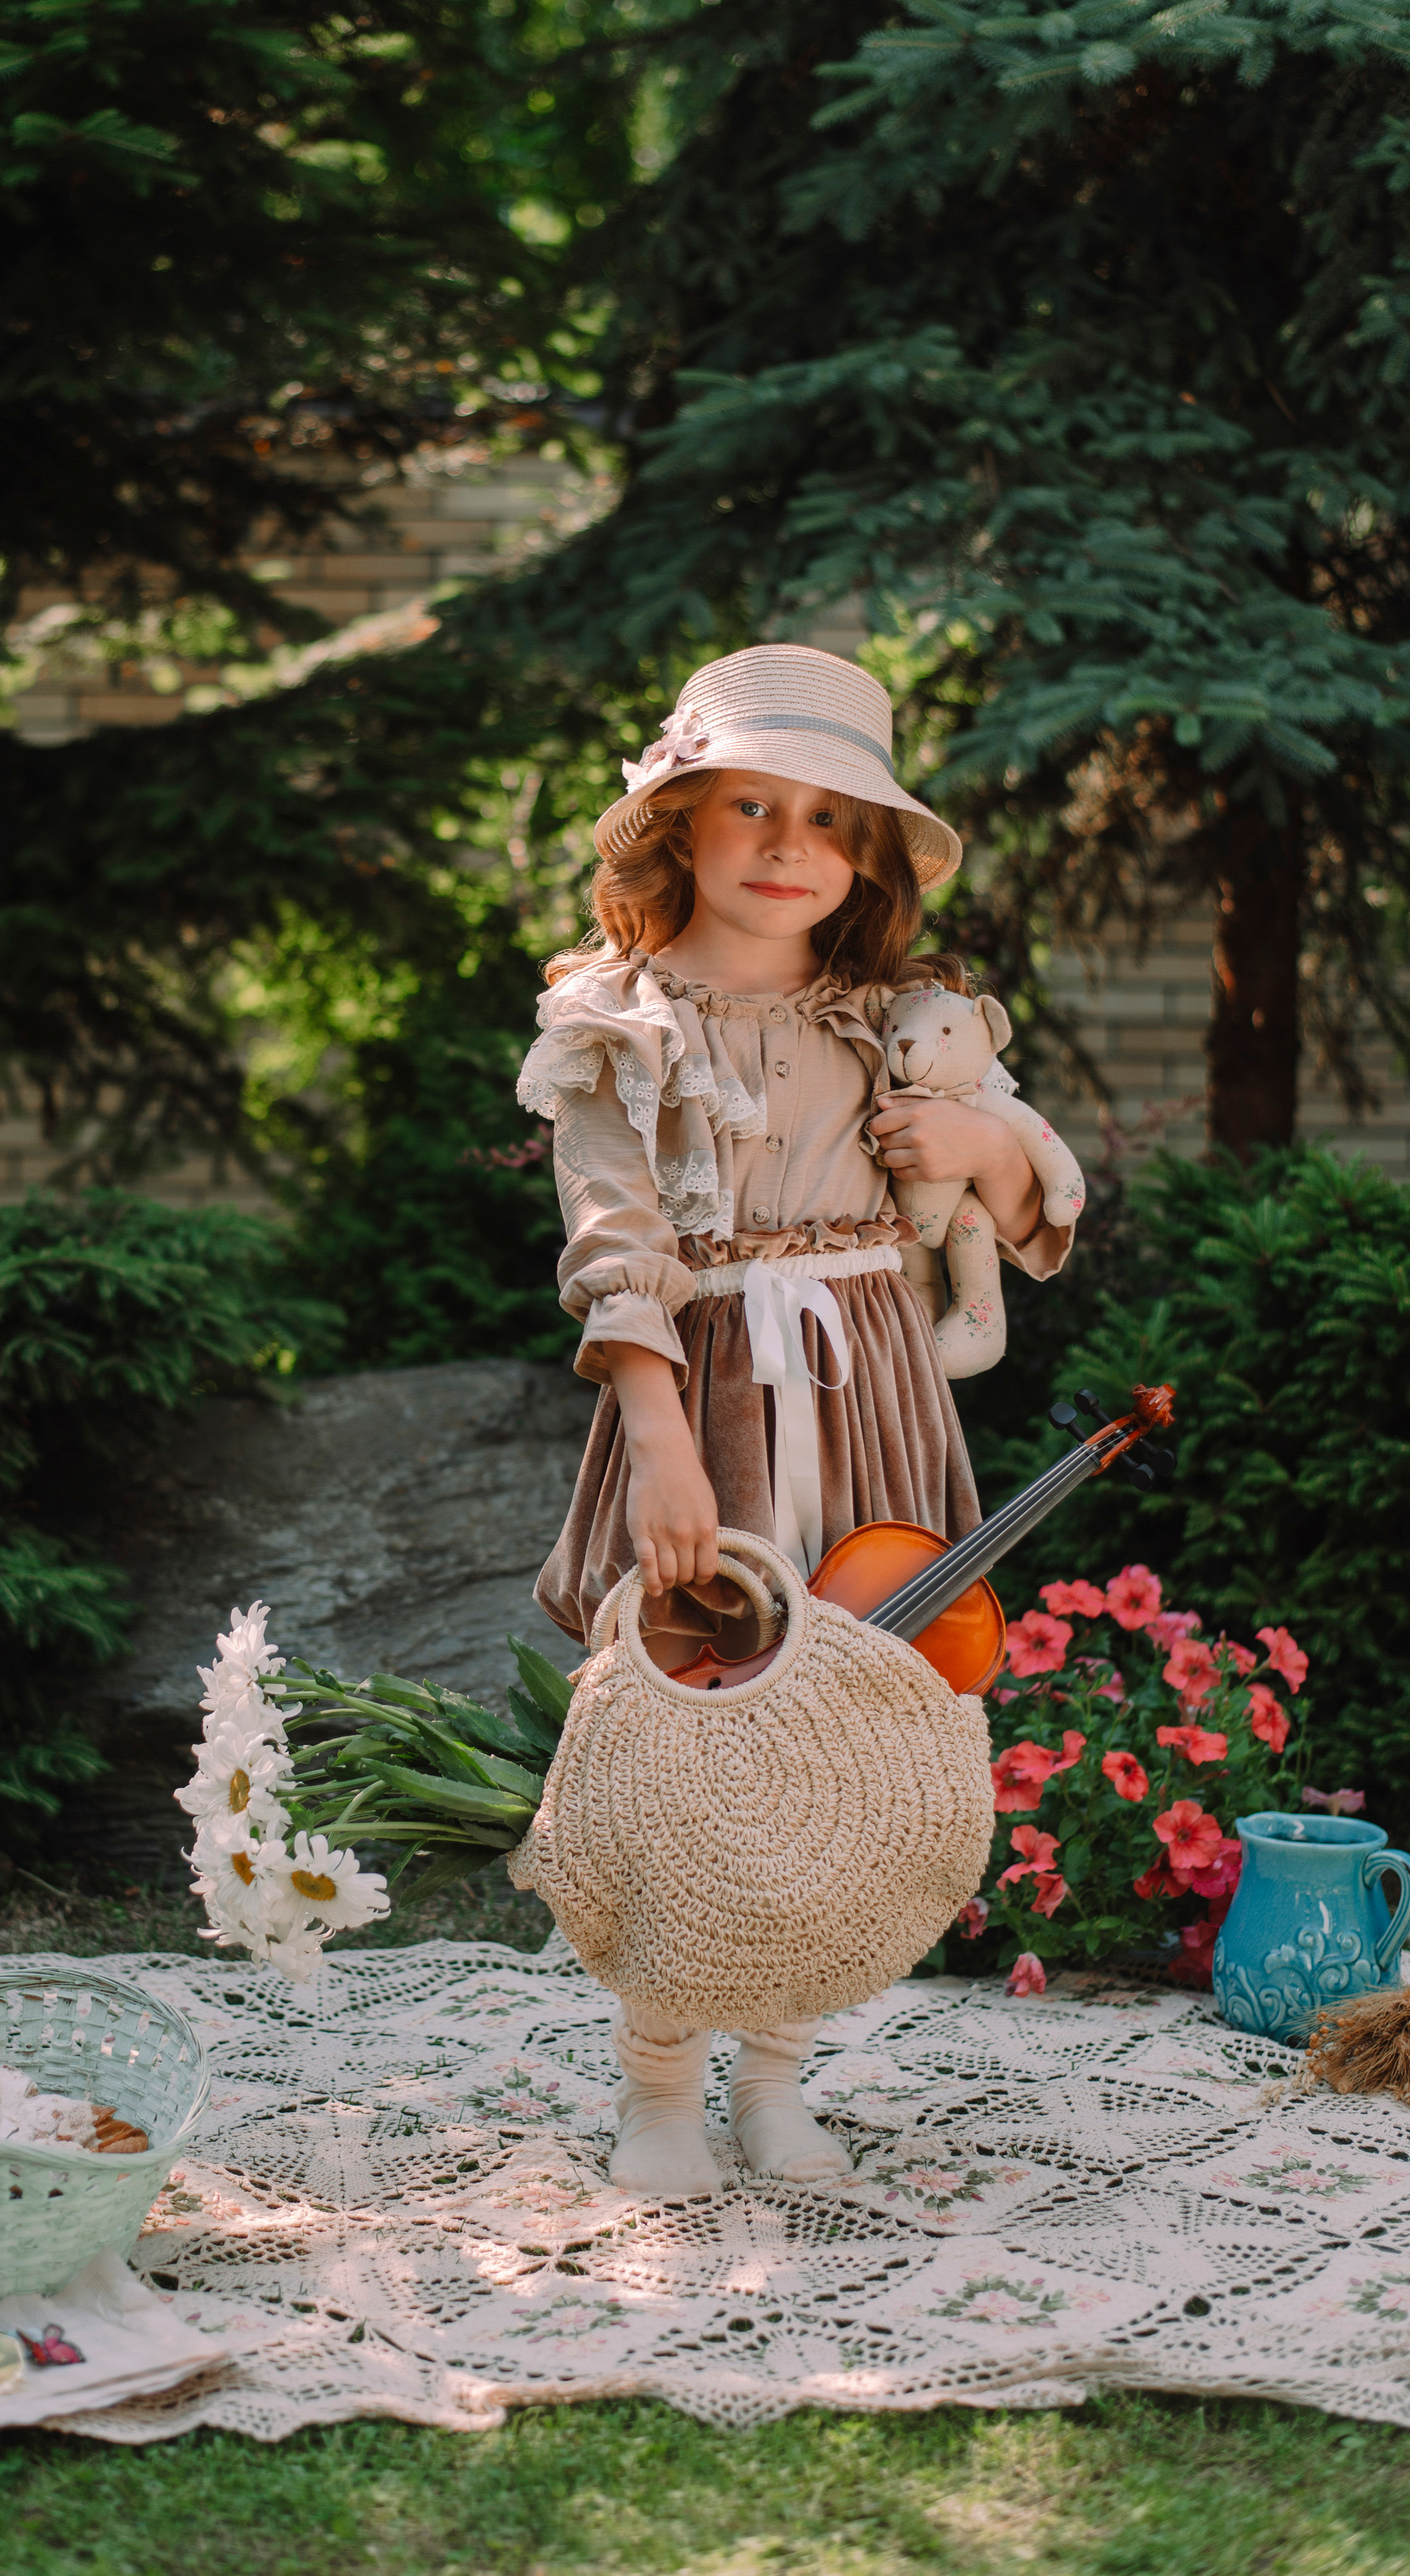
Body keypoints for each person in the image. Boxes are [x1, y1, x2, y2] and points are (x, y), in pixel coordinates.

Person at [515, 643, 1077, 2196]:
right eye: (746, 806)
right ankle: (653, 2091)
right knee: (686, 1736)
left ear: (866, 857)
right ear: (673, 825)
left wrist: (978, 1130)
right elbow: (612, 1243)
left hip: (872, 1388)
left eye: (825, 821)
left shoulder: (896, 1017)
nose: (784, 849)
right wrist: (659, 1442)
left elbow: (1014, 1198)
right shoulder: (614, 1021)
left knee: (845, 1735)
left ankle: (775, 2079)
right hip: (708, 1399)